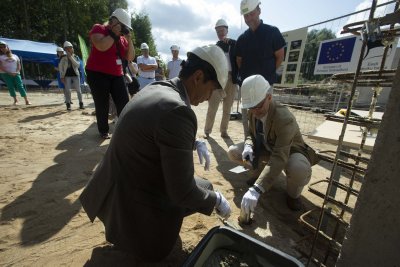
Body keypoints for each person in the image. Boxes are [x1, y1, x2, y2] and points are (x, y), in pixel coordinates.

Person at [79, 45, 231, 263]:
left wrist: (193, 141)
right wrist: (216, 201)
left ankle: (137, 232)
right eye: (213, 89)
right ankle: (134, 243)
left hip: (109, 190)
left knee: (204, 187)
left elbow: (155, 134)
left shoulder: (159, 88)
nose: (210, 97)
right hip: (129, 204)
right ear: (199, 77)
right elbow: (183, 193)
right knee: (162, 249)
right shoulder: (179, 112)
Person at [227, 75, 320, 214]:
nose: (255, 111)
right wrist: (248, 146)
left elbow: (279, 156)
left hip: (289, 151)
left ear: (269, 97)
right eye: (250, 107)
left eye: (258, 106)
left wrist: (257, 189)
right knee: (234, 151)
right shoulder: (254, 110)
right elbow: (251, 136)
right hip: (267, 146)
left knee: (298, 169)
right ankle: (259, 174)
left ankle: (293, 195)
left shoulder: (284, 119)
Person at [236, 0, 286, 135]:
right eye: (246, 16)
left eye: (252, 14)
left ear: (259, 11)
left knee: (266, 115)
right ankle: (249, 141)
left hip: (266, 83)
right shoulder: (242, 39)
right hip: (247, 85)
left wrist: (268, 73)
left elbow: (280, 56)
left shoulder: (272, 32)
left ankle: (266, 143)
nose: (249, 18)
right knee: (247, 115)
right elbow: (239, 60)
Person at [85, 8, 134, 139]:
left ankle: (124, 129)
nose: (124, 29)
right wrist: (113, 34)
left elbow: (130, 57)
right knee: (102, 103)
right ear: (114, 21)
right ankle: (103, 130)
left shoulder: (123, 39)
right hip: (97, 73)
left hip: (117, 74)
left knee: (124, 102)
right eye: (122, 26)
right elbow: (101, 46)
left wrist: (129, 40)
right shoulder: (99, 29)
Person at [204, 19, 239, 139]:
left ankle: (224, 131)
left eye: (222, 30)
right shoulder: (215, 47)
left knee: (227, 107)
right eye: (218, 31)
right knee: (212, 106)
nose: (220, 33)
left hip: (231, 78)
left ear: (227, 30)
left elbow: (242, 50)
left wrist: (233, 42)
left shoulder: (234, 45)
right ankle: (207, 131)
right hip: (218, 79)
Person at [0, 41, 31, 105]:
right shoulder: (0, 57)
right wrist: (9, 73)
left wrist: (16, 72)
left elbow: (19, 65)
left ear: (7, 47)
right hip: (5, 74)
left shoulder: (15, 56)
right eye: (1, 47)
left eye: (4, 46)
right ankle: (15, 100)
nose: (2, 48)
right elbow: (1, 67)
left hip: (16, 73)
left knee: (20, 86)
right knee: (10, 86)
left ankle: (26, 100)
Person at [59, 41, 84, 110]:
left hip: (76, 75)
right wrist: (61, 77)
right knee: (67, 90)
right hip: (67, 76)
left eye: (70, 48)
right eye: (67, 48)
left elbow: (77, 65)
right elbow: (60, 68)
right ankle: (68, 104)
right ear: (65, 49)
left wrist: (70, 57)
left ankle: (81, 103)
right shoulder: (63, 58)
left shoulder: (75, 56)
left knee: (78, 90)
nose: (69, 49)